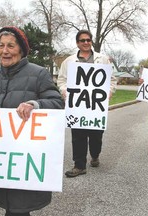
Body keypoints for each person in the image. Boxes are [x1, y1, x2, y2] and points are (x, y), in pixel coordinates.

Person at [0, 26, 64, 216]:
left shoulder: (39, 73)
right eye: (1, 45)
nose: (5, 50)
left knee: (19, 209)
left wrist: (34, 104)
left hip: (26, 157)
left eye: (11, 46)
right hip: (1, 159)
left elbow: (57, 103)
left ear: (21, 50)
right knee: (11, 207)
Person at [57, 29, 117, 178]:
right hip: (77, 106)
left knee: (96, 136)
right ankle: (79, 165)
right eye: (82, 40)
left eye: (88, 40)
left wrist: (108, 92)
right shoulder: (69, 61)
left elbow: (112, 80)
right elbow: (61, 80)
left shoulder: (103, 59)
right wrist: (65, 92)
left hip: (96, 106)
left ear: (91, 42)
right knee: (78, 136)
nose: (85, 42)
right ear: (77, 43)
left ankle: (95, 155)